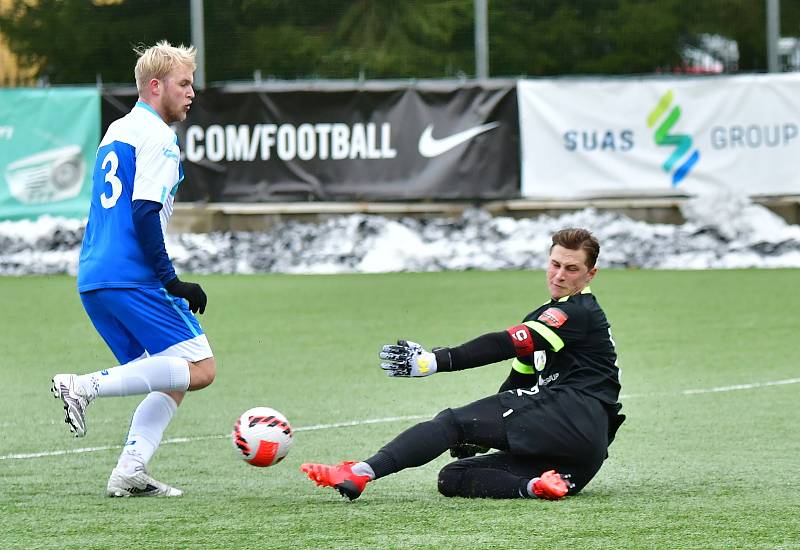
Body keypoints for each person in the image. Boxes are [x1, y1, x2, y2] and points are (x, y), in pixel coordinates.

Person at [301, 227, 625, 501]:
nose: (559, 275)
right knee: (453, 476)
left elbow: (505, 343)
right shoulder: (547, 319)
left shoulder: (576, 311)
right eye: (555, 264)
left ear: (590, 274)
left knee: (451, 423)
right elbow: (519, 385)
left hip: (572, 412)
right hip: (582, 457)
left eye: (571, 269)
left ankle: (358, 473)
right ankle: (536, 487)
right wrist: (482, 433)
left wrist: (434, 361)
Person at [51, 41, 215, 498]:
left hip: (95, 278)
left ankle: (130, 470)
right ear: (156, 85)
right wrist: (172, 281)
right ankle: (81, 386)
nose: (191, 93)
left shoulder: (117, 130)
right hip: (131, 276)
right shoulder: (159, 137)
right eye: (184, 84)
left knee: (165, 374)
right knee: (200, 368)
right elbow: (144, 212)